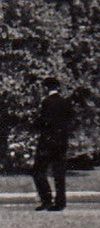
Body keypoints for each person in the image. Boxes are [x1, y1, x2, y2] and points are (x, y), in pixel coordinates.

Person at [31, 77, 74, 212]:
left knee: (38, 171)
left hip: (47, 143)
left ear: (45, 88)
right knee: (59, 173)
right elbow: (70, 120)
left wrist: (34, 124)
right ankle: (60, 202)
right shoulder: (66, 102)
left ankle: (46, 199)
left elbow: (44, 122)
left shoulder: (47, 102)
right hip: (61, 142)